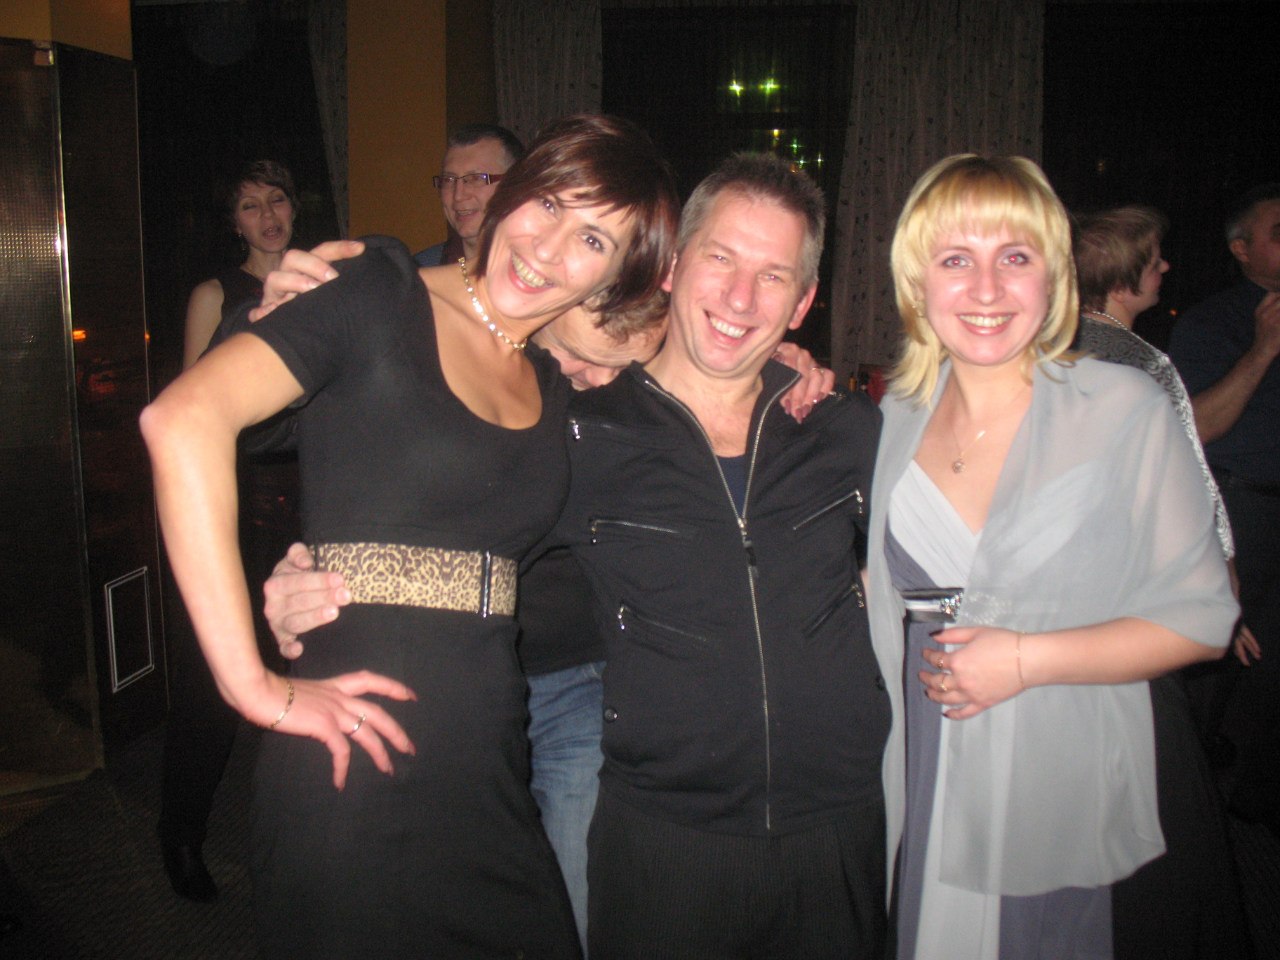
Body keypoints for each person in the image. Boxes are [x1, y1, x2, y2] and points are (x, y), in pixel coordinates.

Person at [262, 154, 890, 958]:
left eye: (773, 277)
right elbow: (437, 518)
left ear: (803, 302)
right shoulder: (581, 437)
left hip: (838, 832)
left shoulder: (846, 430)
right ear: (673, 268)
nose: (741, 298)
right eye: (721, 259)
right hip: (663, 842)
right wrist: (331, 585)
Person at [141, 114, 680, 959]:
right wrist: (252, 683)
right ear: (512, 193)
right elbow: (182, 420)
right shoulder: (379, 287)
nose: (547, 248)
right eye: (547, 204)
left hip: (488, 767)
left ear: (612, 274)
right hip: (357, 761)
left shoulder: (549, 375)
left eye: (592, 240)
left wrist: (778, 369)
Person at [868, 154, 1239, 960]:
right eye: (956, 259)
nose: (987, 289)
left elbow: (1204, 619)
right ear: (918, 281)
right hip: (927, 752)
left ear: (1054, 276)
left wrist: (1022, 660)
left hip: (1059, 756)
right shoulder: (896, 414)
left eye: (1016, 256)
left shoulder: (1123, 405)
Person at [1072, 205, 1253, 957]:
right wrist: (1221, 588)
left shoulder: (1051, 346)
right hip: (1135, 601)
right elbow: (1192, 485)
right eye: (1154, 258)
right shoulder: (1139, 362)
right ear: (1124, 276)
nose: (1166, 268)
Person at [158, 159, 301, 902]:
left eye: (276, 199)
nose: (268, 215)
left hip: (311, 498)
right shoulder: (216, 294)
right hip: (236, 500)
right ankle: (180, 833)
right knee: (211, 684)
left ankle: (301, 835)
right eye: (250, 205)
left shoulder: (322, 284)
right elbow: (190, 409)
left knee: (305, 668)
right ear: (234, 222)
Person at [1168, 184, 1280, 833]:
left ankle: (1255, 805)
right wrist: (1263, 348)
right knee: (1212, 667)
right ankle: (1188, 812)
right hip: (1239, 510)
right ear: (1241, 249)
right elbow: (1196, 429)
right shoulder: (1212, 324)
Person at [416, 123, 525, 267]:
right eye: (449, 180)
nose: (458, 195)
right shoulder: (417, 273)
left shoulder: (545, 268)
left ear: (515, 184)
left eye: (475, 178)